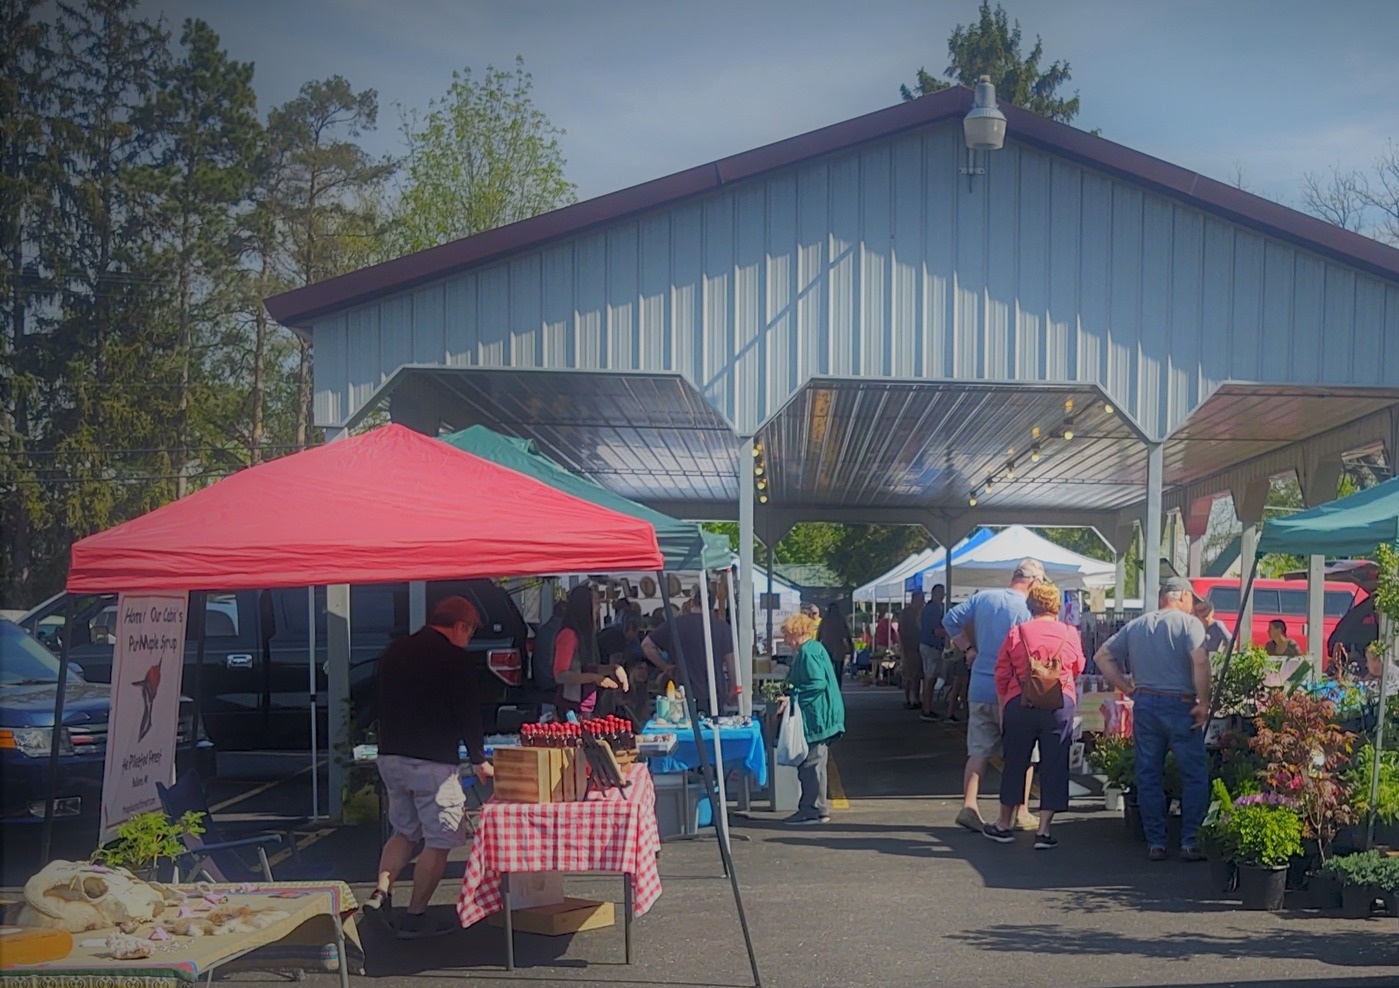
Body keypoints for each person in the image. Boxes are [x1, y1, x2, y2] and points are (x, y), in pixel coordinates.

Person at [364, 596, 494, 938]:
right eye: (470, 632)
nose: (468, 639)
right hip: (432, 763)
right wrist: (479, 758)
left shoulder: (395, 651)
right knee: (439, 840)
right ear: (460, 627)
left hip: (391, 756)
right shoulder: (454, 659)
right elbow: (468, 713)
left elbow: (376, 698)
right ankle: (416, 914)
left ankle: (381, 892)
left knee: (404, 831)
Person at [1092, 576, 1211, 862]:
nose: (1193, 607)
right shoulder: (1189, 624)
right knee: (1193, 774)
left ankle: (1156, 842)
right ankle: (1189, 841)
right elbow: (1200, 661)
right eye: (1192, 600)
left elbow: (1102, 656)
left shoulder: (1137, 625)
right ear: (1181, 596)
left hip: (1145, 702)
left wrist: (1127, 688)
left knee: (1148, 774)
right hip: (1181, 705)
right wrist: (1204, 702)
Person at [943, 558, 1046, 833]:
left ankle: (969, 805)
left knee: (978, 750)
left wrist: (968, 649)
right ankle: (1022, 810)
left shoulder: (983, 598)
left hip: (980, 685)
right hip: (1014, 691)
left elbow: (949, 620)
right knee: (1023, 752)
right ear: (1034, 582)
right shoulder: (1028, 610)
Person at [984, 582, 1086, 849]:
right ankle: (1043, 830)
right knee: (1054, 763)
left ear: (1031, 606)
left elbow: (1002, 673)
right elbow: (1079, 666)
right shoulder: (1070, 633)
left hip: (1021, 703)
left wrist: (1005, 704)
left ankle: (1004, 824)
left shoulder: (1017, 632)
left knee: (1015, 762)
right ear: (1056, 607)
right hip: (1059, 703)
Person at [777, 613, 846, 825]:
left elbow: (816, 683)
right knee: (816, 764)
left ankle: (812, 809)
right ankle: (816, 807)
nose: (786, 641)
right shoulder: (815, 649)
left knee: (810, 763)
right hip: (823, 714)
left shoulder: (808, 652)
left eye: (788, 636)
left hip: (818, 716)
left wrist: (792, 695)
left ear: (798, 633)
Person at [642, 596, 738, 712]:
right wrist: (733, 686)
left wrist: (665, 666)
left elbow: (646, 645)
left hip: (681, 692)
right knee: (713, 728)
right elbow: (730, 659)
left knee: (682, 727)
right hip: (714, 693)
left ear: (692, 602)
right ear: (712, 606)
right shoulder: (722, 627)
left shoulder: (674, 624)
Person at [555, 584, 629, 719]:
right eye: (595, 603)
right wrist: (595, 678)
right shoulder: (569, 635)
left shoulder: (585, 635)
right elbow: (560, 675)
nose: (599, 608)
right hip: (571, 708)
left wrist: (613, 669)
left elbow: (585, 668)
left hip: (586, 706)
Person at [920, 584, 948, 721]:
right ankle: (927, 709)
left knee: (928, 677)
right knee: (931, 678)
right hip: (932, 646)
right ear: (936, 593)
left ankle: (927, 707)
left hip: (925, 644)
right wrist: (951, 632)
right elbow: (937, 631)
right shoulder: (935, 609)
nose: (943, 596)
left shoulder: (927, 608)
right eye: (942, 593)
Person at [898, 591, 925, 709]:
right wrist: (903, 646)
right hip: (910, 647)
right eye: (921, 600)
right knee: (910, 674)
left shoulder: (921, 613)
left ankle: (916, 698)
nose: (923, 602)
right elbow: (902, 630)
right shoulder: (907, 613)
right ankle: (908, 698)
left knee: (918, 674)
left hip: (920, 646)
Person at [818, 603, 854, 682]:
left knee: (828, 669)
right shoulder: (840, 619)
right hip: (839, 648)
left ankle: (829, 685)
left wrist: (817, 646)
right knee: (838, 671)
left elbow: (818, 634)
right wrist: (851, 647)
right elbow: (847, 634)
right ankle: (837, 687)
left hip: (826, 647)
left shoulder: (825, 620)